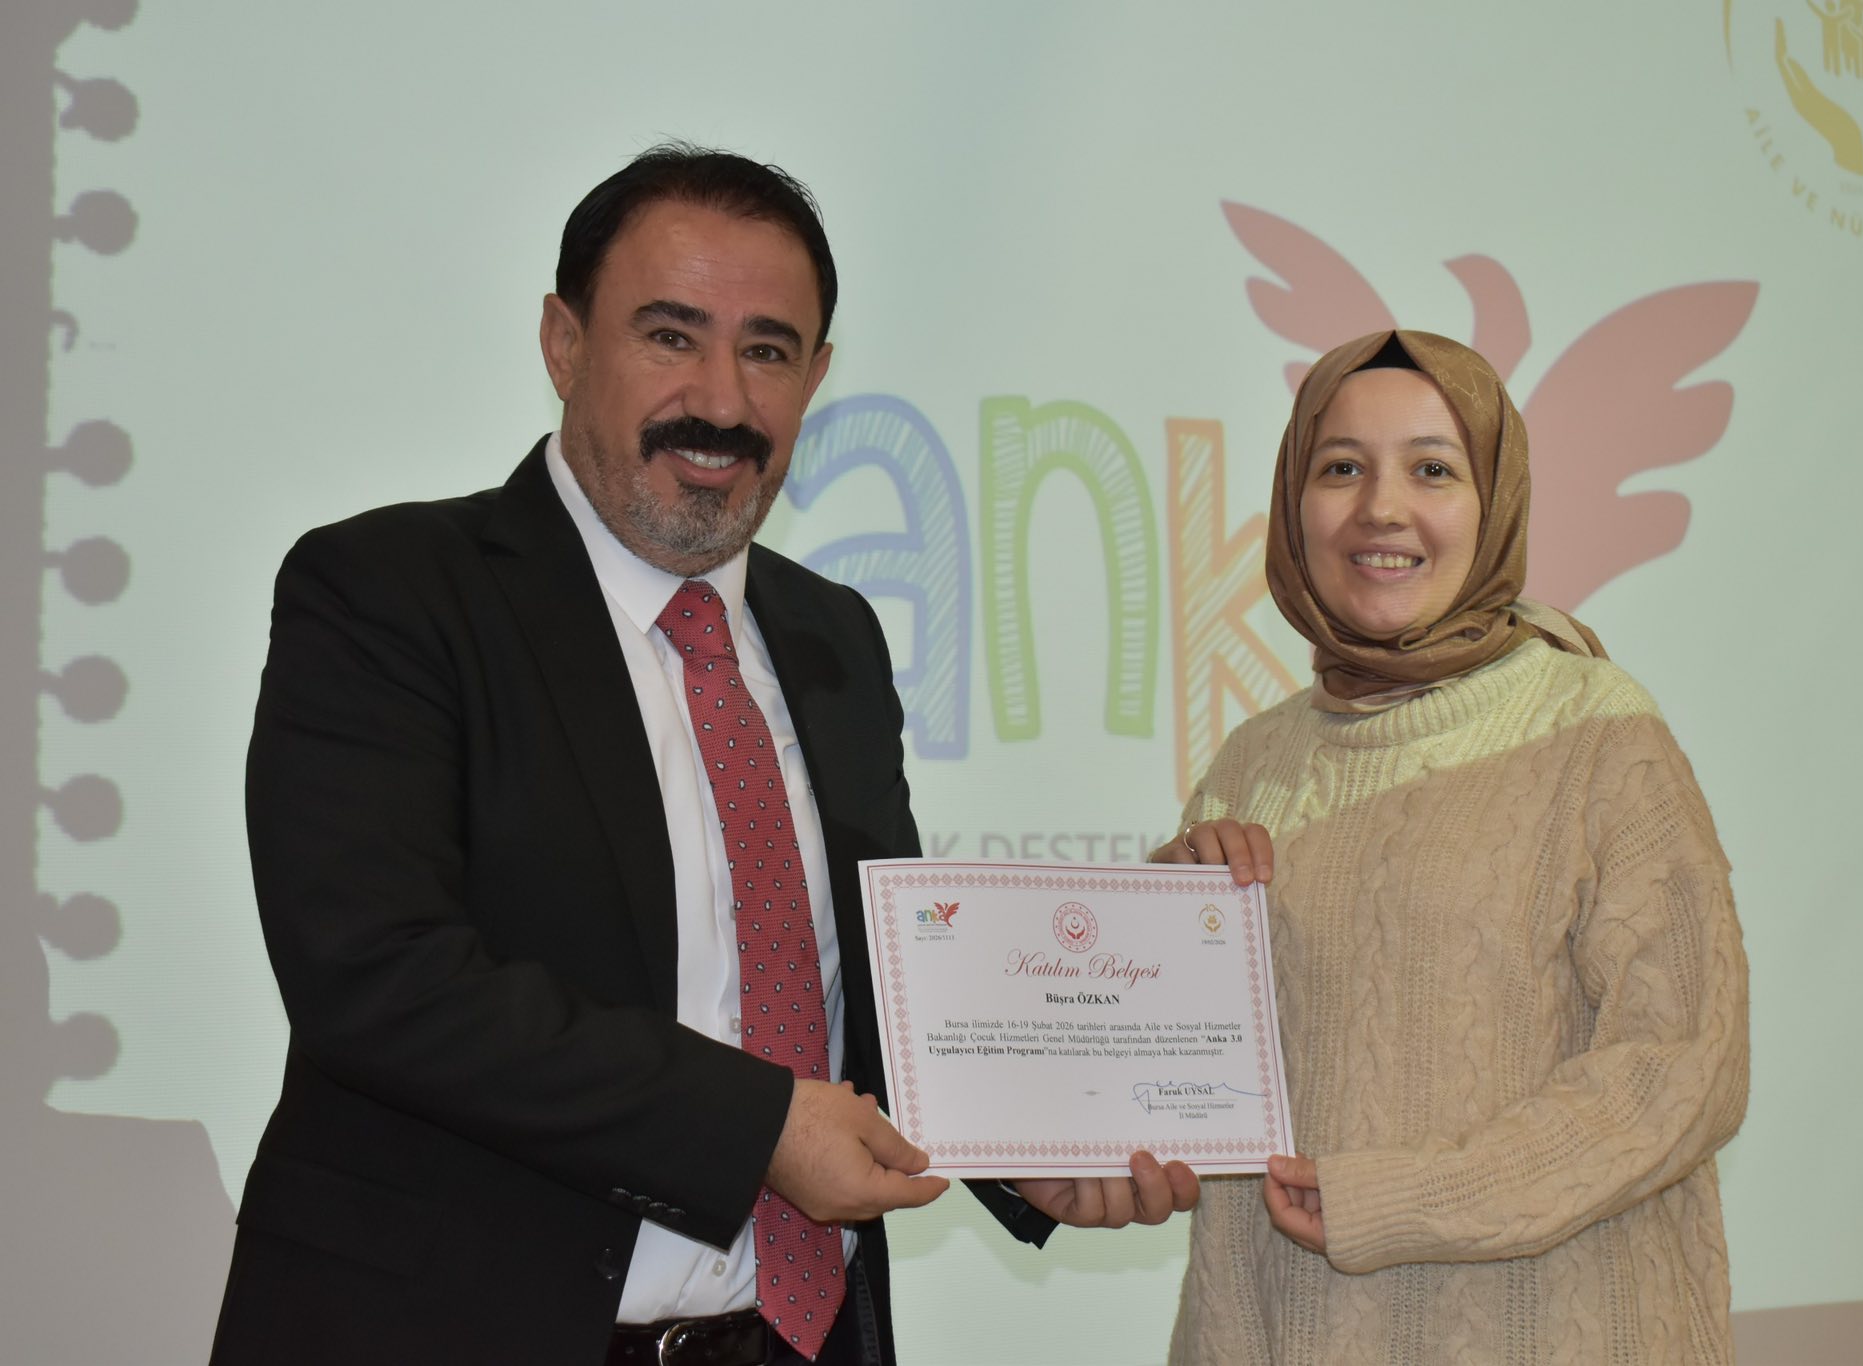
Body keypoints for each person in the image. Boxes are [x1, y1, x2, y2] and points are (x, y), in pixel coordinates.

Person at [210, 143, 1193, 1366]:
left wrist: (1022, 1142)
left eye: (768, 351)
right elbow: (378, 975)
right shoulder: (390, 592)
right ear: (564, 343)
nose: (722, 402)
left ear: (817, 376)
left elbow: (861, 993)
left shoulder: (832, 636)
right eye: (670, 336)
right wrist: (758, 1128)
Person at [1155, 330, 1748, 1363]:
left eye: (1432, 470)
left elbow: (1683, 1067)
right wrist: (1154, 941)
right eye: (1341, 468)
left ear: (1494, 504)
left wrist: (1407, 1198)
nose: (1381, 508)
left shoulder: (1595, 731)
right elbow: (1196, 1096)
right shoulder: (1251, 765)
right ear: (1293, 504)